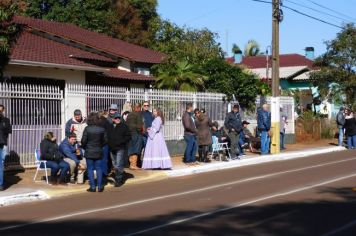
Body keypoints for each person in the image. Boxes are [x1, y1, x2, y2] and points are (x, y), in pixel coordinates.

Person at [81, 112, 107, 192]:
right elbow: (105, 141)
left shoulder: (87, 129)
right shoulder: (102, 129)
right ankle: (99, 187)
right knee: (99, 168)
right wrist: (100, 146)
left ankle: (92, 187)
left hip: (89, 151)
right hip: (98, 150)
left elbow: (83, 141)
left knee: (90, 169)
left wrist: (85, 147)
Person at [107, 113, 131, 187]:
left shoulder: (124, 126)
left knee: (119, 164)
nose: (117, 119)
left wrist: (122, 142)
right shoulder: (110, 126)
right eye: (116, 118)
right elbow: (106, 135)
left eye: (119, 118)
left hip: (120, 148)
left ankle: (119, 180)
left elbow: (128, 136)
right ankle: (118, 176)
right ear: (113, 119)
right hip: (112, 148)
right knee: (114, 164)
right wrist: (108, 142)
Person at [126, 103, 144, 169]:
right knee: (136, 149)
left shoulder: (129, 114)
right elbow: (139, 127)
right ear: (139, 108)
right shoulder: (138, 115)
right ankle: (133, 164)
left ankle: (131, 164)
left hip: (129, 134)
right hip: (136, 134)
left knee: (130, 148)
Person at [0, 105, 12, 191]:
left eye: (1, 110)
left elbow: (9, 131)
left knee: (1, 163)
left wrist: (3, 123)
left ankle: (1, 184)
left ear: (3, 111)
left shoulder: (6, 120)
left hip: (2, 144)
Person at [97, 110, 111, 181]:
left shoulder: (96, 122)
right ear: (105, 115)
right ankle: (104, 174)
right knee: (104, 159)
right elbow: (109, 133)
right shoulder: (106, 122)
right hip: (105, 144)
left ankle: (98, 173)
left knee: (98, 159)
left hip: (97, 143)